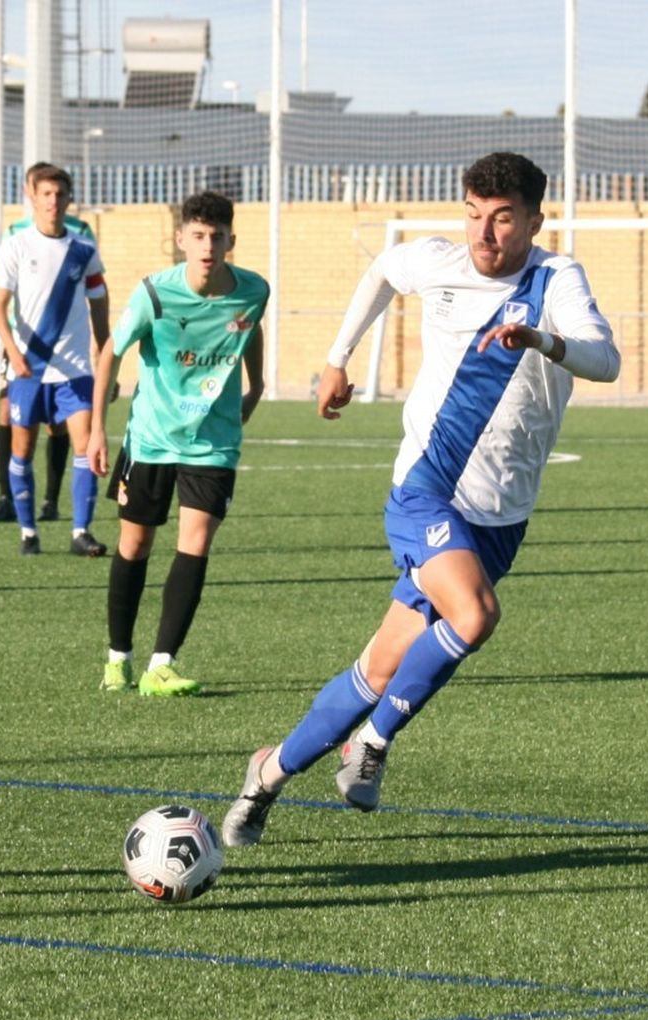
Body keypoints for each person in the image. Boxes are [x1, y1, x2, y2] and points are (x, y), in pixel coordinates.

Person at [221, 152, 621, 847]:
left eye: (502, 220)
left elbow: (605, 359)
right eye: (473, 215)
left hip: (501, 516)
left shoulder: (557, 279)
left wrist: (540, 339)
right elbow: (381, 270)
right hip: (426, 490)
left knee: (380, 666)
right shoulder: (439, 261)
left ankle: (267, 774)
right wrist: (336, 359)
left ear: (534, 219)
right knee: (475, 613)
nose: (484, 235)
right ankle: (372, 742)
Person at [88, 191, 267, 697]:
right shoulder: (155, 295)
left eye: (217, 236)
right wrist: (99, 428)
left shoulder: (254, 290)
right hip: (150, 439)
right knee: (135, 544)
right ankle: (118, 658)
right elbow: (110, 354)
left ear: (232, 240)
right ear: (181, 239)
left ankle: (160, 664)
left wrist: (256, 386)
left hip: (212, 445)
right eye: (198, 235)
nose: (208, 245)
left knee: (196, 543)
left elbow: (249, 331)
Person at [0, 163, 111, 557]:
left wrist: (106, 352)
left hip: (74, 369)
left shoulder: (84, 251)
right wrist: (13, 351)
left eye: (60, 195)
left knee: (86, 446)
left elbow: (99, 301)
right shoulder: (16, 246)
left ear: (69, 199)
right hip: (30, 368)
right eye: (46, 194)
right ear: (32, 197)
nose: (53, 202)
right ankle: (28, 532)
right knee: (22, 450)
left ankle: (80, 532)